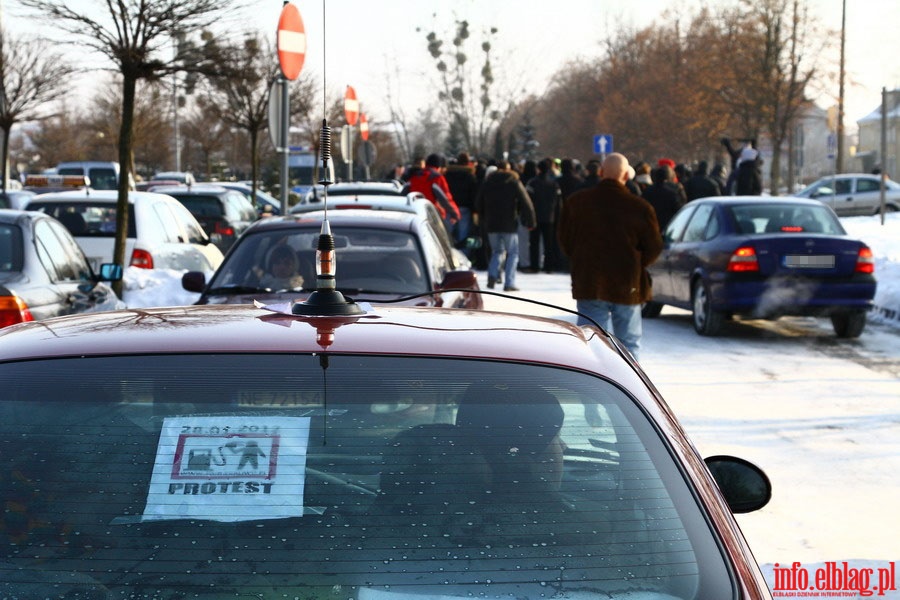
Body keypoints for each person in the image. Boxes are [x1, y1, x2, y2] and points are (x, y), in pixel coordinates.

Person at [557, 153, 663, 360]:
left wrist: (581, 260)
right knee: (629, 345)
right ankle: (628, 388)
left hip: (589, 281)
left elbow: (565, 241)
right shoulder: (640, 208)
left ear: (601, 172)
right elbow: (654, 247)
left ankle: (591, 388)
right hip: (627, 284)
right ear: (626, 175)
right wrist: (637, 265)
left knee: (591, 343)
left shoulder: (576, 203)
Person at [475, 160, 536, 291]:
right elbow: (526, 202)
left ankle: (492, 275)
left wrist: (483, 218)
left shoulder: (487, 182)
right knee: (513, 253)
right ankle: (509, 283)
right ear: (509, 169)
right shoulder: (513, 182)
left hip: (491, 224)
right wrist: (531, 221)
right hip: (509, 223)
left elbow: (478, 202)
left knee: (496, 251)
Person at [405, 153, 460, 233]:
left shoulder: (414, 176)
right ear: (439, 166)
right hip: (433, 216)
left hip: (415, 216)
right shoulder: (437, 178)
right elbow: (445, 198)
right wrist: (454, 214)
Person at [525, 158, 562, 273]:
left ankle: (535, 266)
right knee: (549, 243)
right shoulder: (554, 183)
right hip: (550, 217)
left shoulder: (532, 183)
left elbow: (528, 201)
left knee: (534, 243)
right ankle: (549, 266)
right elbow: (558, 202)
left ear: (538, 169)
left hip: (535, 217)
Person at [443, 152, 480, 252]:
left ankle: (447, 255)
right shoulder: (470, 176)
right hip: (465, 208)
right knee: (464, 236)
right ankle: (463, 258)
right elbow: (474, 194)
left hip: (449, 208)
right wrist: (475, 210)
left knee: (447, 234)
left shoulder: (448, 174)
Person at [641, 165, 684, 232]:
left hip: (651, 225)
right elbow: (678, 208)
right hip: (668, 225)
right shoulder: (673, 192)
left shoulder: (647, 191)